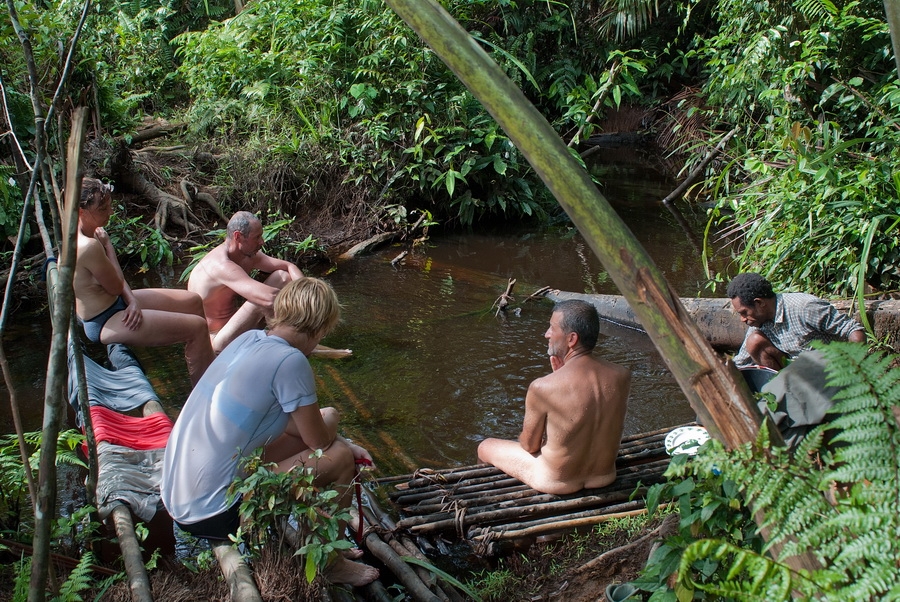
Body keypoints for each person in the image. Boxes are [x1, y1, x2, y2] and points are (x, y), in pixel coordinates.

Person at [160, 277, 378, 586]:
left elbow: (295, 428)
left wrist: (333, 429)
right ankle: (330, 563)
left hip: (177, 498)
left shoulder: (247, 339)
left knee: (326, 427)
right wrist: (337, 427)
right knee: (340, 457)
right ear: (320, 327)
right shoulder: (290, 361)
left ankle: (320, 546)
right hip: (213, 512)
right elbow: (318, 441)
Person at [477, 300, 630, 495]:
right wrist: (560, 373)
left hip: (555, 481)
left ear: (571, 339)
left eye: (552, 328)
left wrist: (554, 380)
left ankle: (484, 497)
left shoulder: (543, 387)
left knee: (485, 446)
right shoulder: (622, 375)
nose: (547, 334)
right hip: (604, 477)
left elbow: (529, 446)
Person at [73, 178, 214, 386]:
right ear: (81, 212)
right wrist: (108, 246)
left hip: (117, 302)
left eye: (109, 206)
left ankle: (206, 360)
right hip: (105, 320)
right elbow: (115, 285)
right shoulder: (88, 245)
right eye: (103, 209)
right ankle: (204, 392)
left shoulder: (89, 229)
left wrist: (132, 301)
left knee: (193, 301)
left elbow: (116, 286)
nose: (109, 213)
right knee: (198, 327)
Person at [187, 211, 306, 354]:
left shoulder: (247, 255)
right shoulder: (220, 265)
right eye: (257, 237)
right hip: (217, 341)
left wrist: (307, 290)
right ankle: (290, 340)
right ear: (238, 237)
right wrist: (308, 310)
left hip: (238, 328)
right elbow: (269, 298)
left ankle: (282, 338)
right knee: (264, 298)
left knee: (282, 277)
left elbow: (288, 266)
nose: (262, 241)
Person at [727, 272, 865, 370]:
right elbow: (741, 362)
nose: (742, 319)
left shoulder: (805, 307)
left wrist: (852, 367)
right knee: (754, 341)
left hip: (828, 367)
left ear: (759, 303)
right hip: (797, 371)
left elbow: (853, 331)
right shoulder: (758, 322)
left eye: (744, 313)